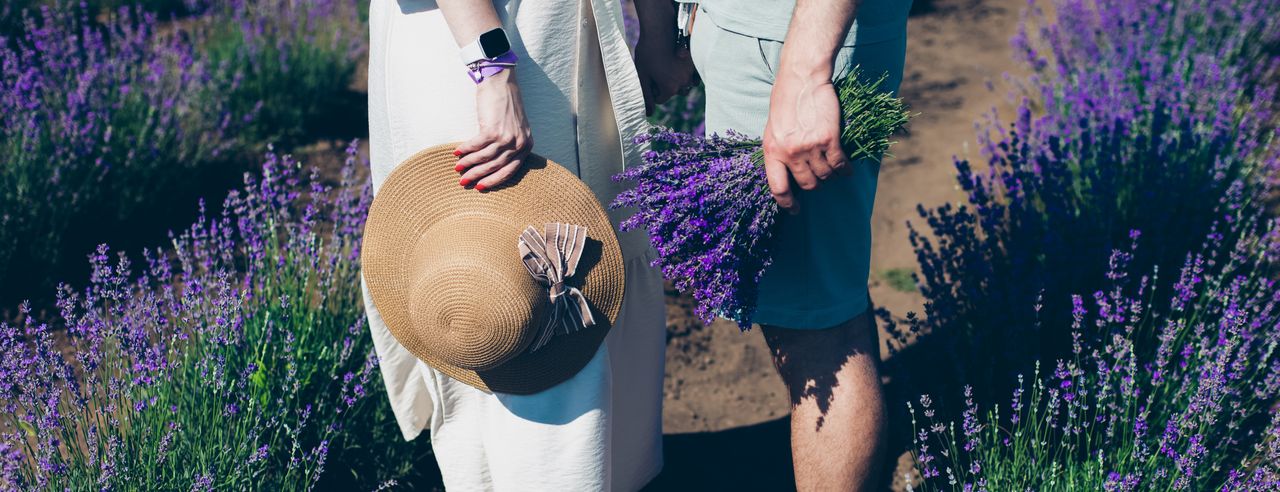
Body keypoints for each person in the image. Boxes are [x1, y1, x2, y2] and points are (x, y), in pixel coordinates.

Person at [364, 0, 694, 490]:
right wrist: (490, 65)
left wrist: (658, 25)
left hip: (552, 34)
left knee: (580, 273)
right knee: (494, 277)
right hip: (477, 37)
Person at [687, 0, 911, 489]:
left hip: (795, 46)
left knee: (821, 333)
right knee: (813, 306)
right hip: (763, 36)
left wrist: (806, 70)